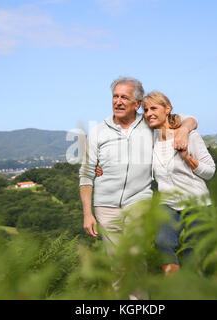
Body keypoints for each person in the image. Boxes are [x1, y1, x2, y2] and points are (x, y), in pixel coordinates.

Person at [79, 77, 198, 296]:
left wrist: (184, 130)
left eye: (125, 97)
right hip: (105, 208)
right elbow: (86, 174)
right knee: (118, 266)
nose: (118, 101)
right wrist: (88, 213)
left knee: (136, 257)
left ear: (137, 103)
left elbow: (189, 119)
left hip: (139, 201)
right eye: (115, 96)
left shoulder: (149, 123)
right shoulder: (98, 132)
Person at [142, 91, 215, 275]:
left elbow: (210, 172)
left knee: (194, 251)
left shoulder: (191, 136)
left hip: (196, 201)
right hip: (169, 204)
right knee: (162, 243)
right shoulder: (151, 140)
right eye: (145, 110)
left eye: (153, 108)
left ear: (167, 109)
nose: (149, 113)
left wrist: (188, 158)